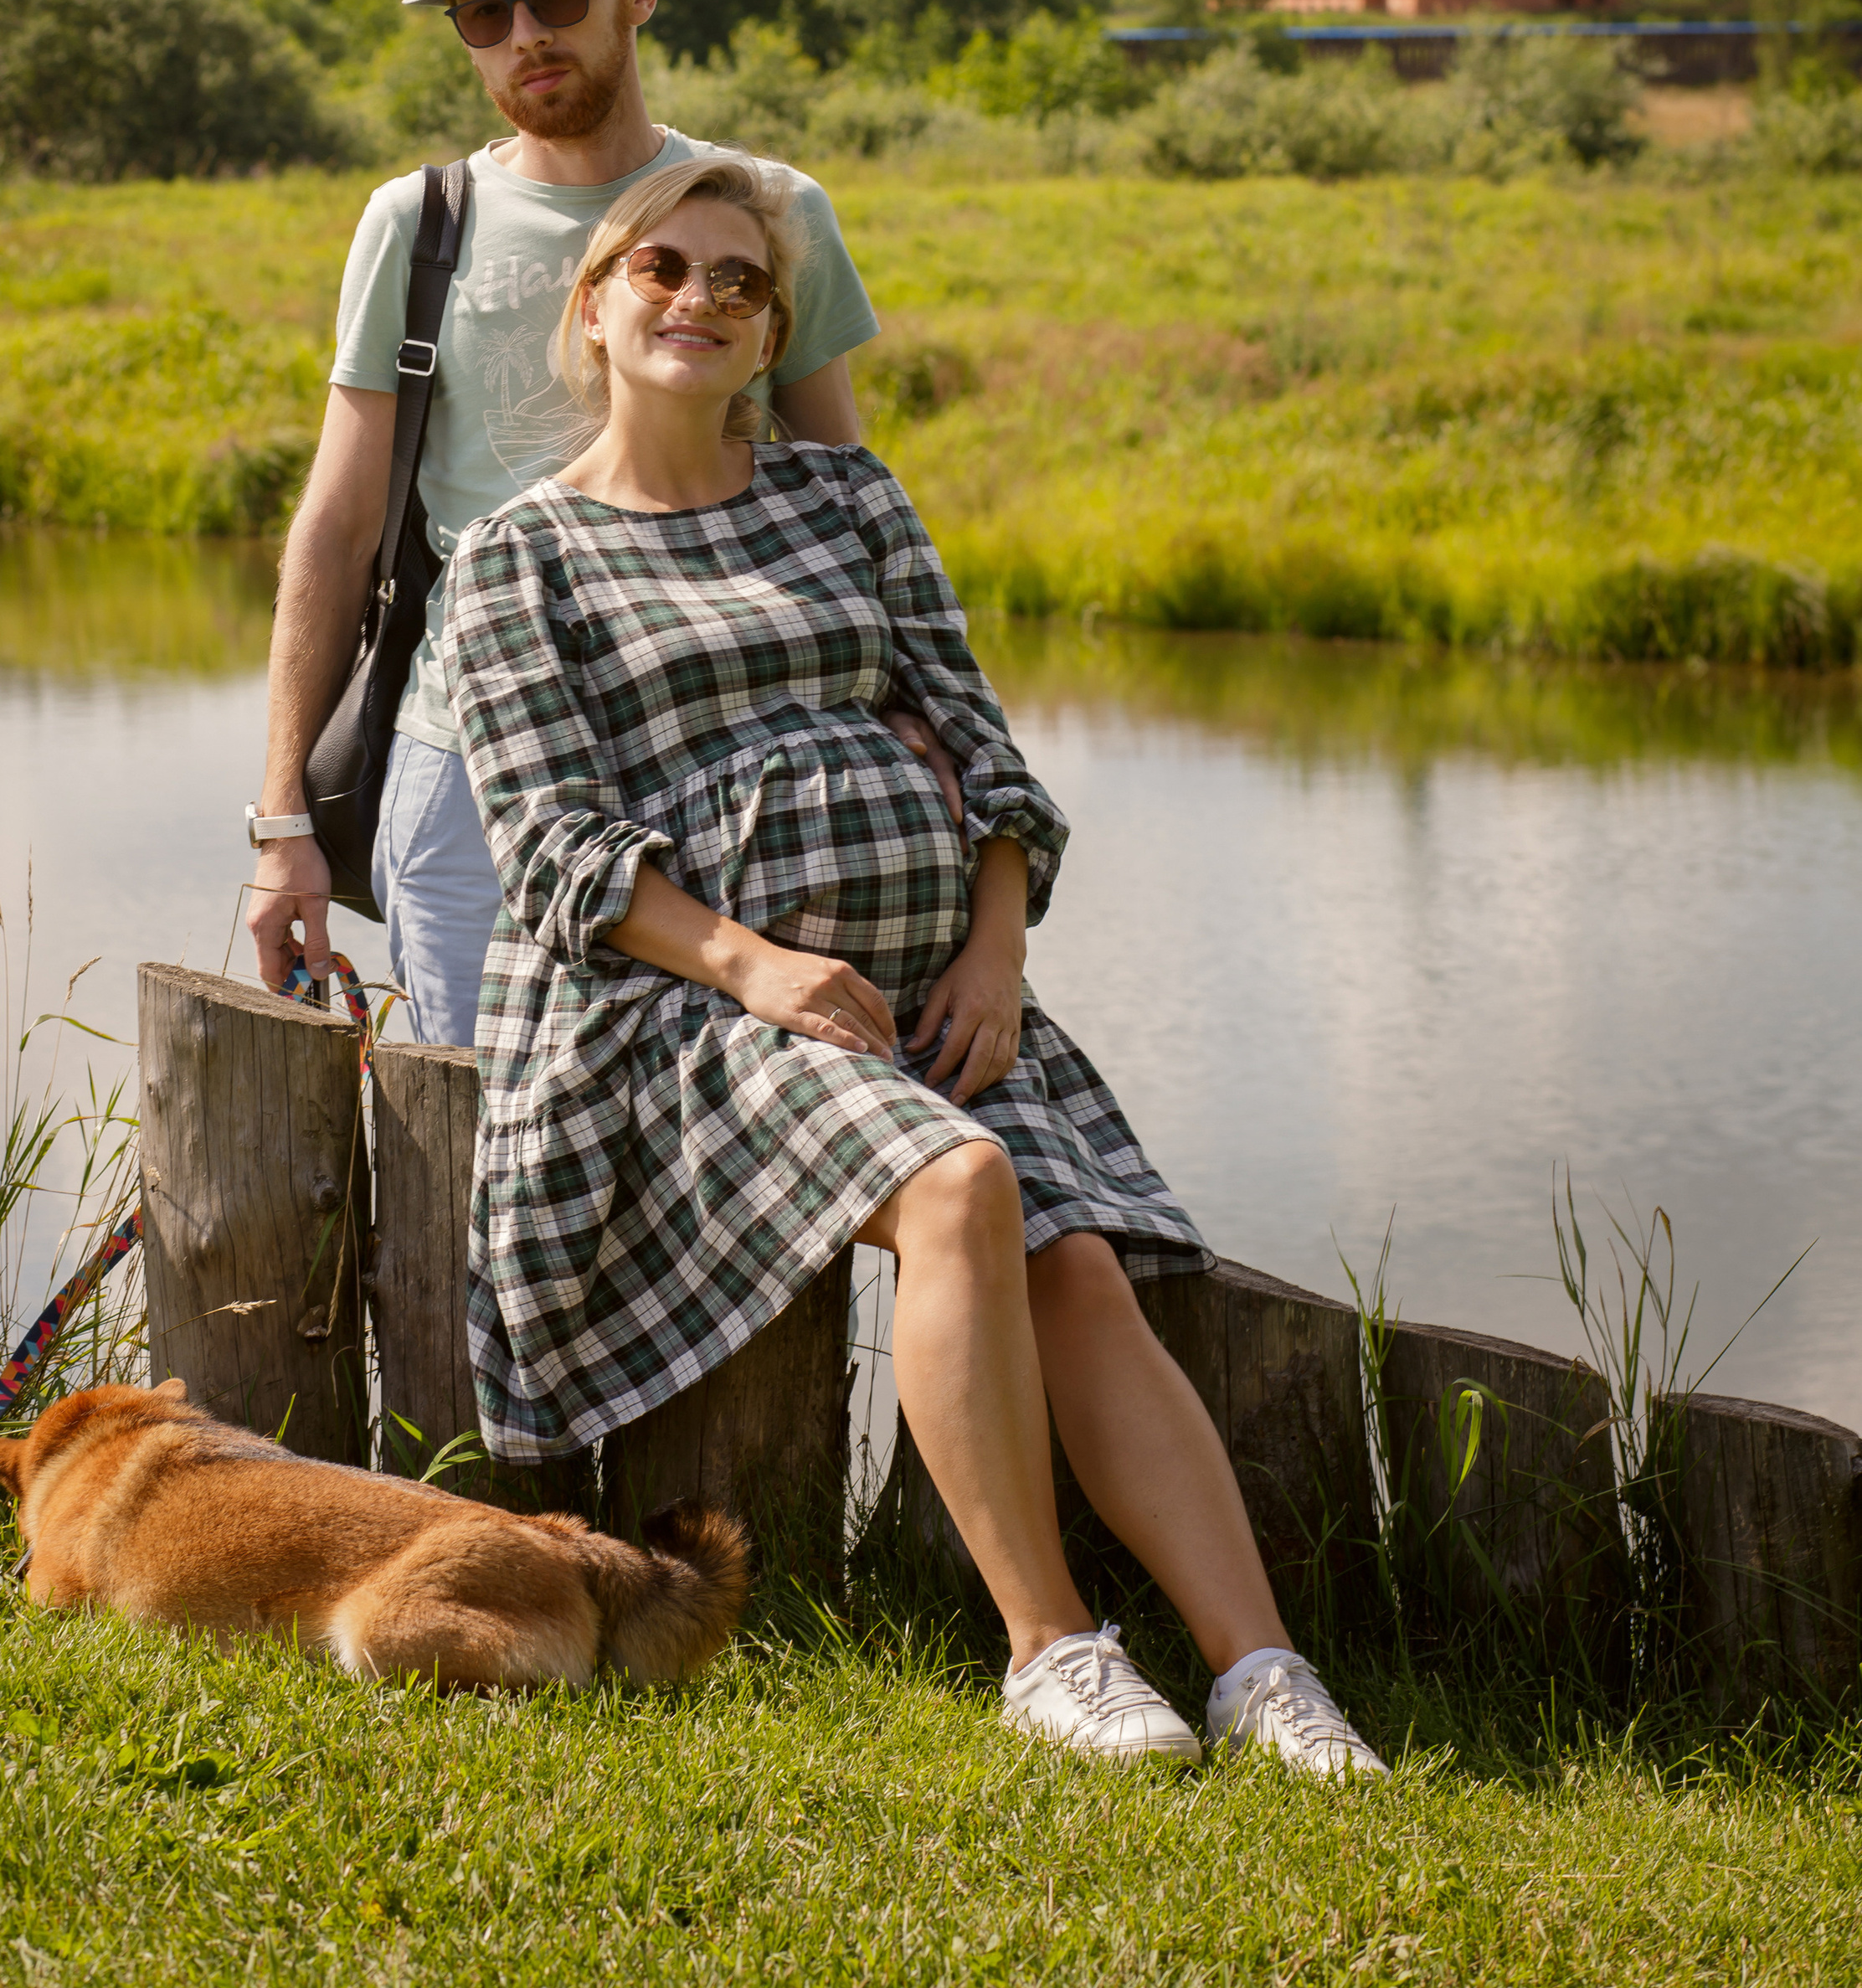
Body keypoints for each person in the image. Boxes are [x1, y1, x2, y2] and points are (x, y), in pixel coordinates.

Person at [439, 149, 1386, 1773]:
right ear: (592, 305)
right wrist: (747, 964)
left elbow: (981, 748)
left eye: (742, 283)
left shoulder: (847, 500)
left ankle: (1260, 1675)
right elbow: (550, 847)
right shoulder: (519, 557)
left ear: (769, 333)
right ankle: (1048, 1651)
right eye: (667, 268)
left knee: (1072, 1260)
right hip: (673, 1005)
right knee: (957, 1186)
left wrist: (996, 954)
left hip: (924, 992)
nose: (703, 300)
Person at [246, 0, 953, 1039]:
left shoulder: (766, 215)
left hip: (724, 761)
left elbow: (846, 500)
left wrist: (914, 728)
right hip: (464, 778)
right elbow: (338, 528)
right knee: (470, 1155)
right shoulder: (419, 226)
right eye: (483, 13)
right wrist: (282, 828)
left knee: (743, 1160)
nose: (526, 36)